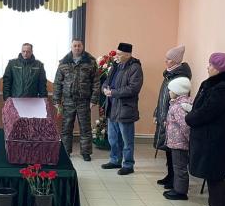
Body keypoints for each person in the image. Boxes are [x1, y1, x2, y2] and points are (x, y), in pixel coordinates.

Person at [185, 53, 225, 206]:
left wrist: (190, 118)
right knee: (211, 174)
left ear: (220, 68)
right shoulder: (214, 84)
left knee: (216, 175)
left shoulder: (224, 88)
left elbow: (207, 111)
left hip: (217, 140)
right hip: (210, 138)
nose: (208, 67)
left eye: (211, 65)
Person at [53, 39, 101, 161]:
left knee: (85, 128)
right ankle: (66, 151)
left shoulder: (90, 62)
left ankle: (86, 152)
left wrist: (94, 100)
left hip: (84, 101)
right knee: (66, 128)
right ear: (71, 47)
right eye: (75, 45)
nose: (77, 48)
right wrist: (56, 101)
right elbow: (57, 83)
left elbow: (96, 82)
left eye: (79, 45)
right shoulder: (64, 62)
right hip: (68, 100)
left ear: (82, 47)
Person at [101, 42, 143, 175]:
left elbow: (133, 88)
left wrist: (113, 92)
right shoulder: (115, 66)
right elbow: (106, 82)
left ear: (128, 55)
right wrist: (104, 89)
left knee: (127, 140)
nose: (116, 56)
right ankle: (115, 161)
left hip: (125, 109)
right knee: (113, 138)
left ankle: (128, 165)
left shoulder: (135, 68)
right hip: (112, 108)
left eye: (119, 54)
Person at [153, 45, 192, 189]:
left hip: (171, 119)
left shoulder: (180, 77)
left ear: (176, 61)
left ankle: (174, 179)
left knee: (173, 151)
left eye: (168, 59)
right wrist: (157, 112)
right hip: (165, 116)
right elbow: (163, 97)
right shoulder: (169, 74)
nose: (166, 61)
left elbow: (178, 101)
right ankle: (170, 175)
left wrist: (167, 117)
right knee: (168, 149)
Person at [163, 77, 193, 200]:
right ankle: (177, 188)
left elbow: (185, 126)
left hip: (179, 142)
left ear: (177, 91)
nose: (169, 92)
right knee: (178, 166)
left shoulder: (178, 107)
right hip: (177, 141)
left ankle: (180, 192)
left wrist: (189, 141)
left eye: (171, 90)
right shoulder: (178, 104)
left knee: (180, 167)